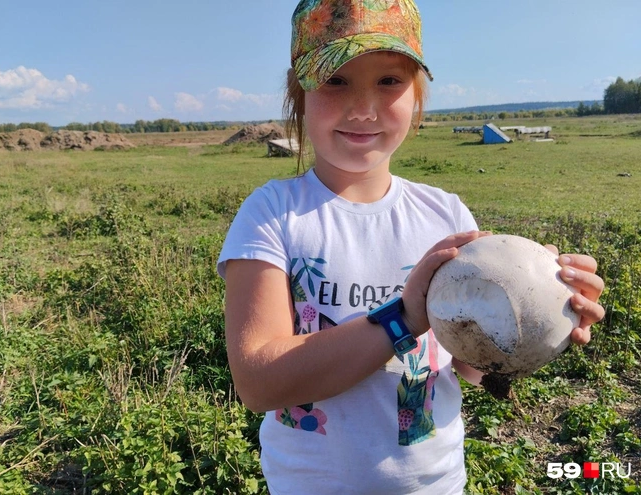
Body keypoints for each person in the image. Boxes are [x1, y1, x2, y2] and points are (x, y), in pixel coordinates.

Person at [216, 1, 605, 493]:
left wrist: (542, 320)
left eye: (389, 81)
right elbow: (258, 382)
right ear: (299, 92)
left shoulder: (445, 215)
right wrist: (403, 316)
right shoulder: (272, 214)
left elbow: (468, 362)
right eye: (336, 80)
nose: (363, 107)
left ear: (417, 94)